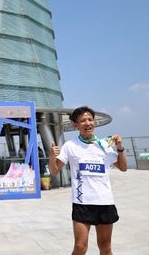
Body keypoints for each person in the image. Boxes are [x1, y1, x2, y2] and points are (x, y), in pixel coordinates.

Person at [50, 106, 128, 255]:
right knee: (80, 247)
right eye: (83, 120)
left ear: (94, 122)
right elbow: (54, 171)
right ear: (75, 124)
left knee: (105, 247)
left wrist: (119, 148)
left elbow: (123, 167)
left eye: (90, 120)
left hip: (105, 202)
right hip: (82, 203)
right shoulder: (70, 146)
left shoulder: (105, 145)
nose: (88, 123)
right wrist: (52, 156)